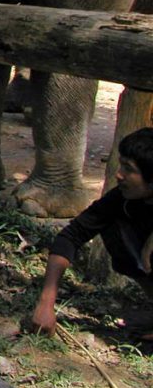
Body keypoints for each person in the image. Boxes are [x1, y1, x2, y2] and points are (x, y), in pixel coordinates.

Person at [29, 128, 153, 336]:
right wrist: (46, 303)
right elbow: (70, 236)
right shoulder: (120, 201)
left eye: (129, 169)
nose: (119, 174)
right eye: (121, 164)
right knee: (113, 230)